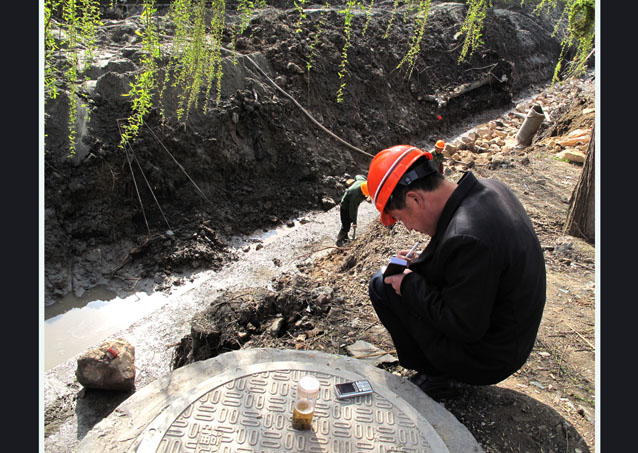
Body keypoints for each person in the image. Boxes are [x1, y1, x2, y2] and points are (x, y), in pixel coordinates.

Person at [366, 145, 546, 399]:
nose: (406, 227)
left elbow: (463, 327)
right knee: (401, 277)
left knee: (382, 285)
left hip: (489, 359)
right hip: (508, 335)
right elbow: (475, 274)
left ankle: (436, 376)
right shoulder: (491, 188)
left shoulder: (467, 238)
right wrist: (423, 263)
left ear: (415, 199)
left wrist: (408, 285)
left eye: (401, 217)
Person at [336, 175, 369, 246]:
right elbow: (353, 210)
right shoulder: (355, 196)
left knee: (349, 221)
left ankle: (345, 238)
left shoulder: (362, 181)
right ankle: (339, 240)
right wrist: (355, 222)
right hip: (345, 206)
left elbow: (357, 176)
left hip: (350, 202)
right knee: (346, 224)